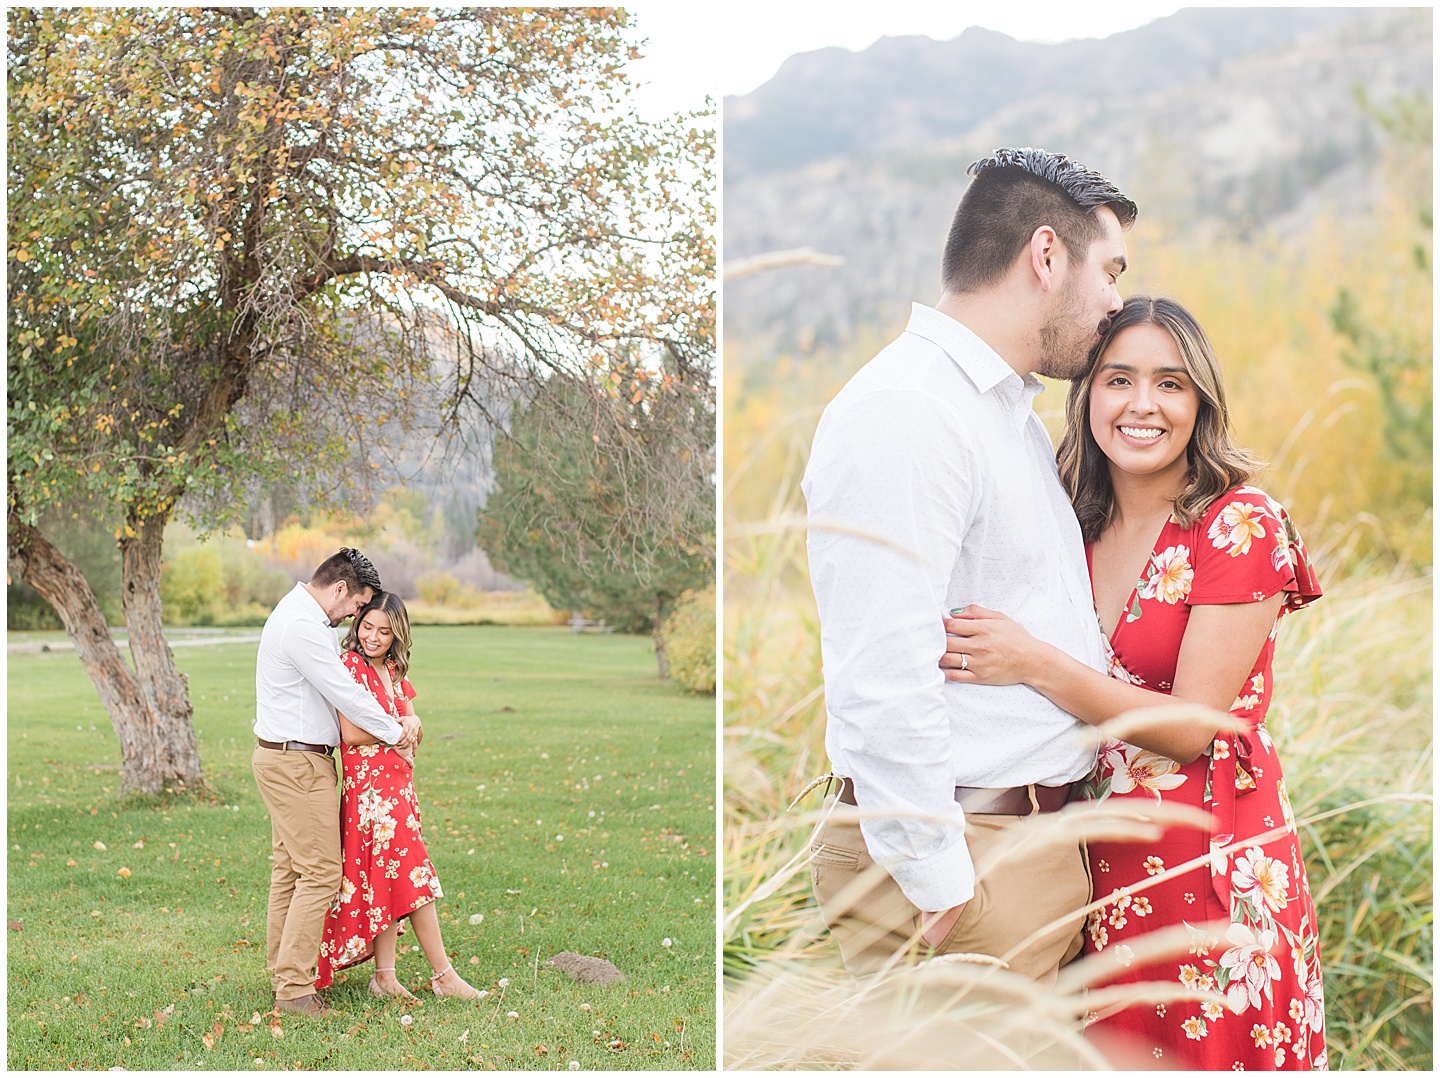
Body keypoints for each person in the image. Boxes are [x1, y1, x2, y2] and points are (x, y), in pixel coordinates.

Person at [940, 296, 1326, 1069]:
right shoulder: (1069, 524)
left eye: (1171, 384)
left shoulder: (1236, 523)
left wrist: (1032, 661)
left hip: (1209, 869)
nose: (1142, 405)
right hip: (1088, 864)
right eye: (1119, 380)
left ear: (1200, 402)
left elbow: (1189, 728)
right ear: (1088, 398)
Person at [801, 147, 1136, 982]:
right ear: (1047, 255)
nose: (1116, 302)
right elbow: (879, 667)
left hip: (1020, 849)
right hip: (964, 866)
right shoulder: (909, 410)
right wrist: (938, 879)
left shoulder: (1000, 413)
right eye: (1111, 271)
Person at [253, 548, 422, 1015]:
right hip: (296, 764)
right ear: (341, 588)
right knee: (322, 873)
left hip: (291, 759)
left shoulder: (300, 617)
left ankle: (284, 969)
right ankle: (292, 989)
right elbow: (345, 693)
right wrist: (398, 733)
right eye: (355, 605)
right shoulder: (302, 627)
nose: (354, 616)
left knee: (290, 871)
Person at [315, 591, 480, 1000]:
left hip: (398, 789)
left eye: (384, 631)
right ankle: (443, 975)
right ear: (357, 625)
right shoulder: (349, 666)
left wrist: (413, 720)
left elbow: (414, 726)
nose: (373, 637)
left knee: (386, 882)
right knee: (415, 877)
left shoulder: (392, 669)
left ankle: (384, 977)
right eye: (367, 626)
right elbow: (351, 734)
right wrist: (399, 728)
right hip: (370, 794)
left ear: (397, 636)